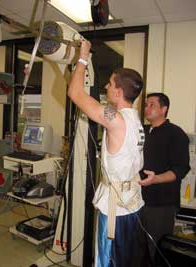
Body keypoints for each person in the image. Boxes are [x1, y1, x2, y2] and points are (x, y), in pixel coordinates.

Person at [68, 40, 145, 267]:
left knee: (107, 261)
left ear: (119, 92)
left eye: (110, 84)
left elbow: (74, 92)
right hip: (132, 204)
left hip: (116, 210)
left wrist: (82, 57)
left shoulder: (116, 119)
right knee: (125, 260)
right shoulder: (135, 119)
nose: (106, 88)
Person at [131, 92, 190, 267]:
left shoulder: (176, 134)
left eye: (152, 105)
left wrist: (156, 179)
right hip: (137, 201)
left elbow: (180, 169)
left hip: (161, 205)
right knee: (136, 251)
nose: (146, 108)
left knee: (156, 252)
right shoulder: (142, 131)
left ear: (164, 109)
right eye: (146, 104)